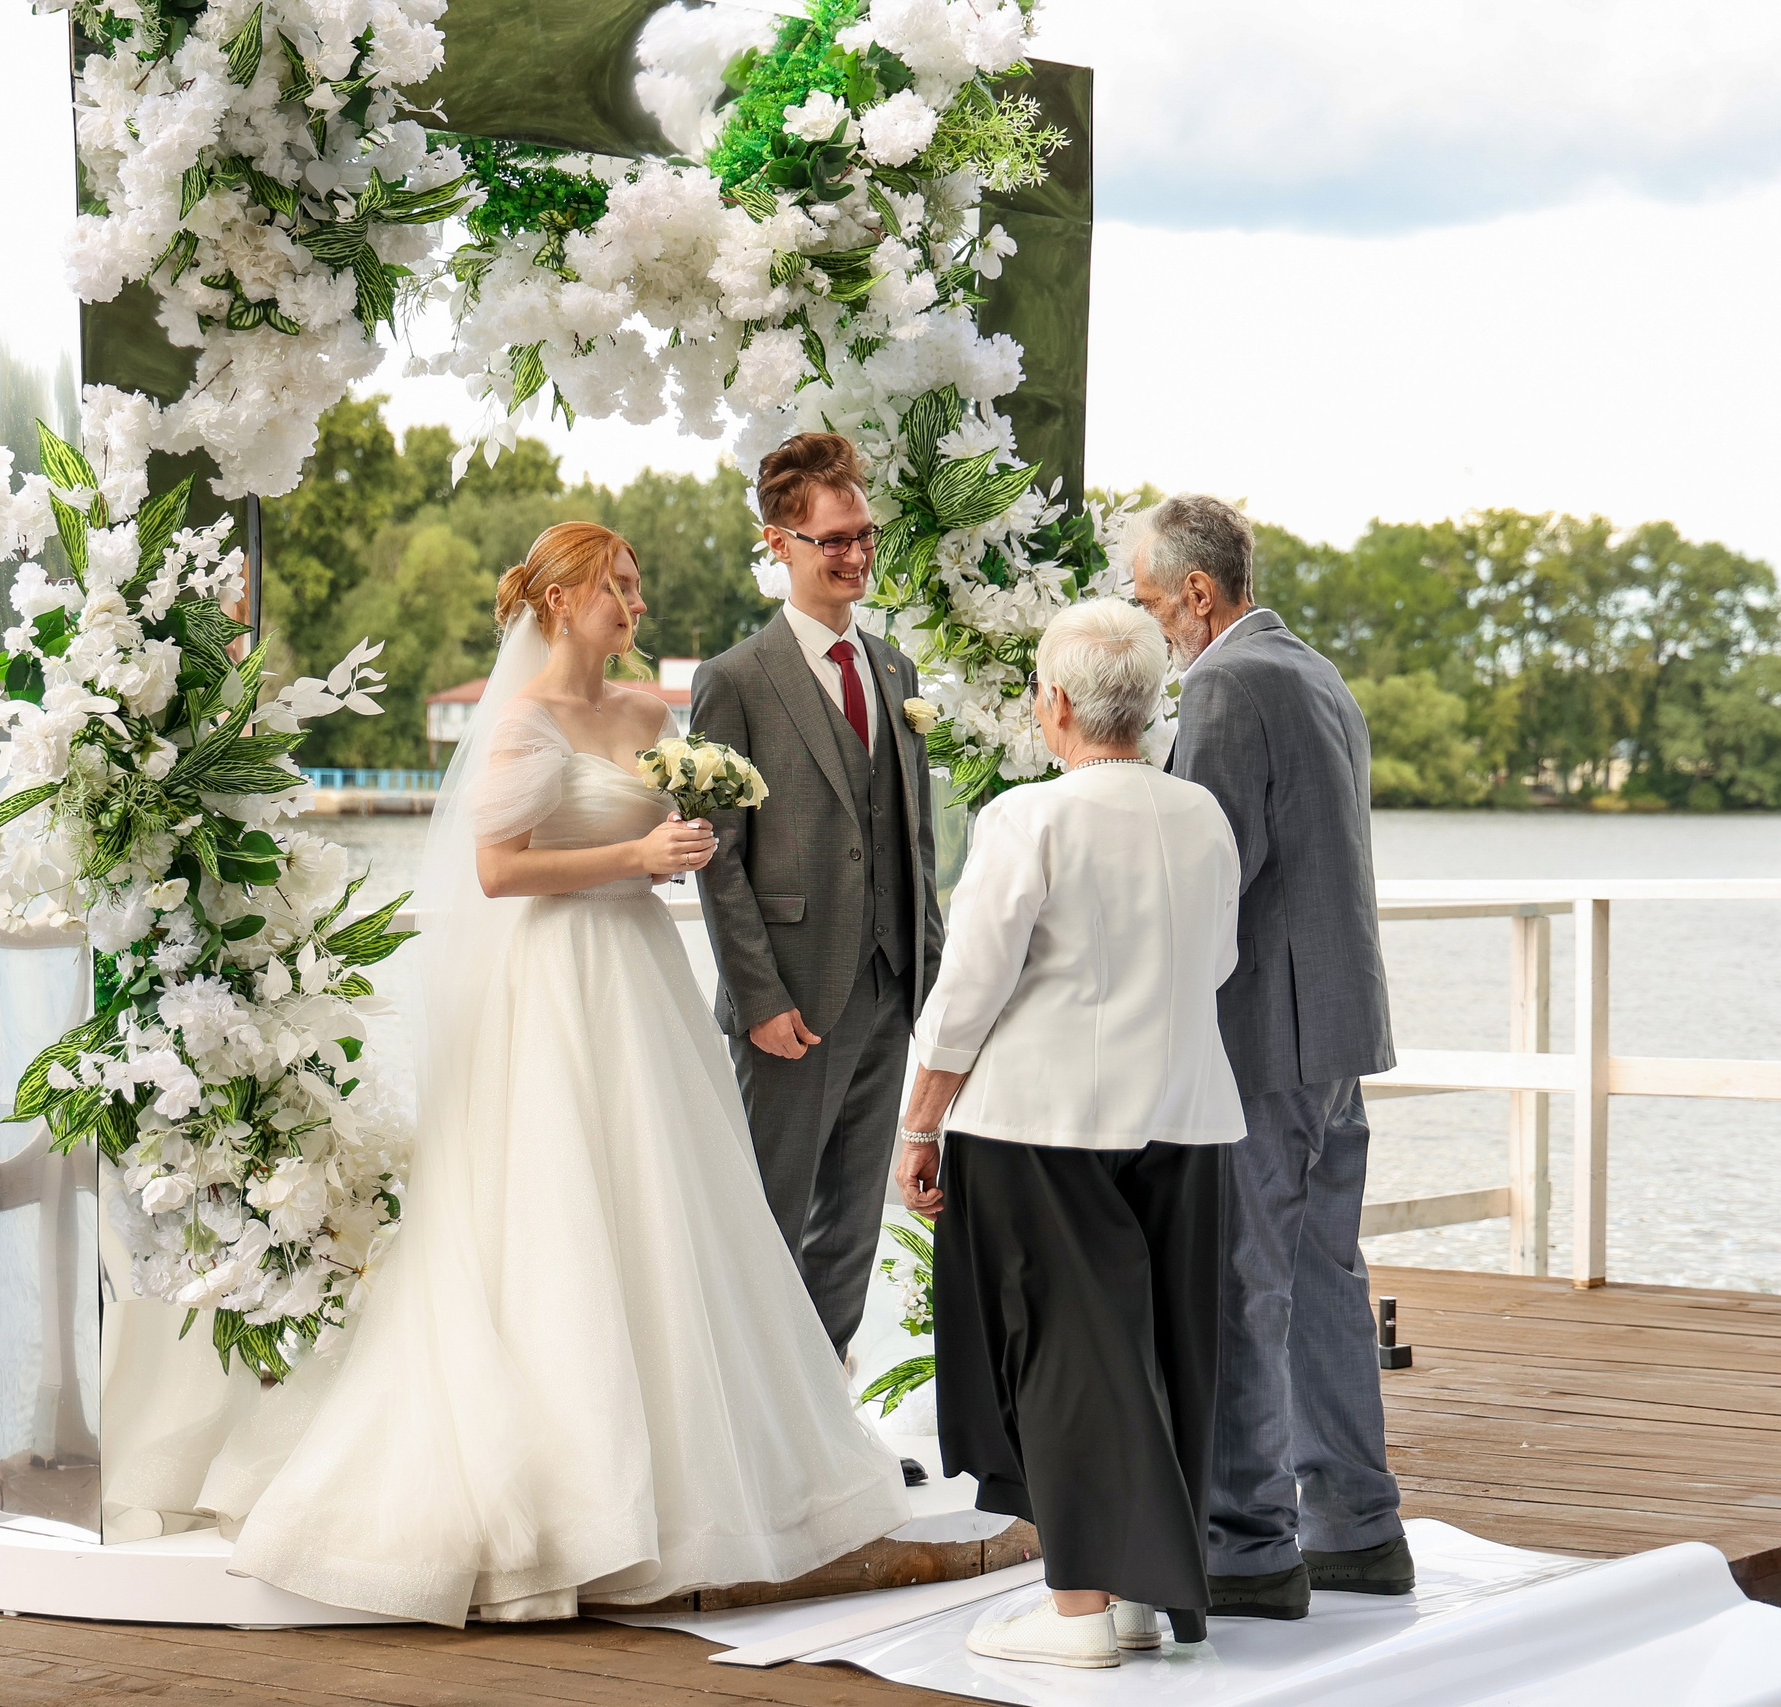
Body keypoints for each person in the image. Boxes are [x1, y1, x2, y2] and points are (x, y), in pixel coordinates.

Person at [195, 522, 908, 1625]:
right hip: (553, 981)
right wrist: (634, 857)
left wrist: (689, 843)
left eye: (635, 587)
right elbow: (497, 870)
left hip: (636, 977)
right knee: (557, 1211)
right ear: (563, 600)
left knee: (663, 1208)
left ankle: (694, 1487)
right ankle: (565, 1501)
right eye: (617, 590)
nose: (634, 606)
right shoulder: (524, 723)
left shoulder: (646, 715)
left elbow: (673, 836)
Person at [893, 599, 1247, 1669]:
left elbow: (969, 988)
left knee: (1058, 1361)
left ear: (1053, 704)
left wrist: (920, 1122)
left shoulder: (1026, 819)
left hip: (1042, 1122)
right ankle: (1138, 1603)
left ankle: (1081, 1615)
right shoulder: (1202, 816)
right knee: (1163, 1356)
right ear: (1147, 708)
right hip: (1184, 1113)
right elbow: (1217, 964)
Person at [1129, 494, 1410, 1620]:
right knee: (1323, 1277)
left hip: (1265, 1030)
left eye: (1150, 601)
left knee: (1243, 1278)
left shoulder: (1228, 682)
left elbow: (1214, 867)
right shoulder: (1314, 670)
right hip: (1333, 1024)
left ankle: (1248, 1542)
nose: (1148, 625)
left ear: (1198, 593)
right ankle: (1357, 1524)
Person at [692, 433, 946, 1364]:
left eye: (862, 535)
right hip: (789, 1003)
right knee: (767, 1218)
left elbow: (912, 842)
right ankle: (755, 1424)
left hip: (887, 994)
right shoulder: (734, 681)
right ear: (779, 544)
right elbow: (719, 857)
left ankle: (821, 1418)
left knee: (851, 1229)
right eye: (831, 539)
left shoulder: (895, 671)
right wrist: (759, 999)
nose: (853, 554)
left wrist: (934, 987)